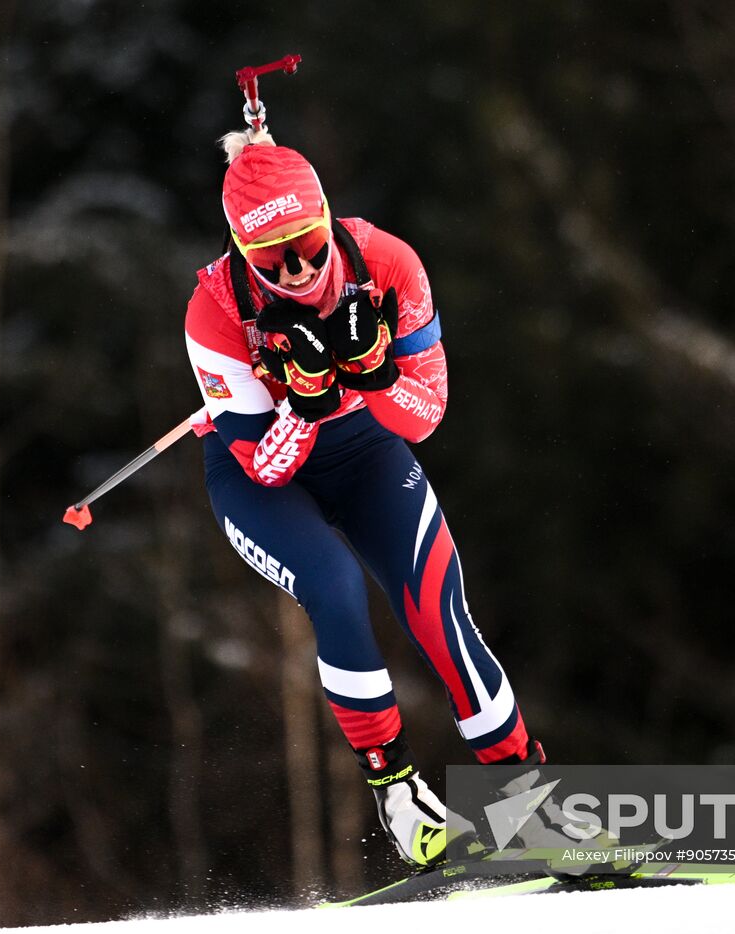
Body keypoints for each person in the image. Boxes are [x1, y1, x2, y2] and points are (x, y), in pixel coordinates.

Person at [183, 126, 544, 869]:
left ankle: (526, 796)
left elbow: (427, 413)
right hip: (262, 478)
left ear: (328, 217)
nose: (301, 267)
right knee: (336, 588)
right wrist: (305, 401)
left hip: (367, 448)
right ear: (244, 254)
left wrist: (375, 373)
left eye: (311, 242)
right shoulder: (215, 313)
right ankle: (398, 788)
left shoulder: (387, 263)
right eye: (275, 258)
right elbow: (265, 465)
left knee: (439, 610)